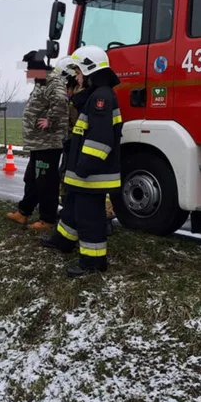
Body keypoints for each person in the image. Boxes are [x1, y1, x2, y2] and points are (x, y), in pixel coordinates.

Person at [42, 45, 123, 277]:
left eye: (78, 71)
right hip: (83, 170)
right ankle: (63, 241)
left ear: (89, 70)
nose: (75, 76)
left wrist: (85, 166)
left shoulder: (101, 98)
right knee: (72, 209)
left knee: (90, 217)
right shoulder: (95, 95)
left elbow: (101, 138)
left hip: (92, 172)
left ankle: (93, 261)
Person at [6, 50, 69, 230]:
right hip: (38, 142)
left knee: (46, 182)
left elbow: (60, 100)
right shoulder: (41, 81)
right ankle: (23, 212)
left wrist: (50, 121)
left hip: (48, 143)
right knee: (31, 179)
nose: (27, 73)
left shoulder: (52, 80)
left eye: (29, 69)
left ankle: (47, 219)